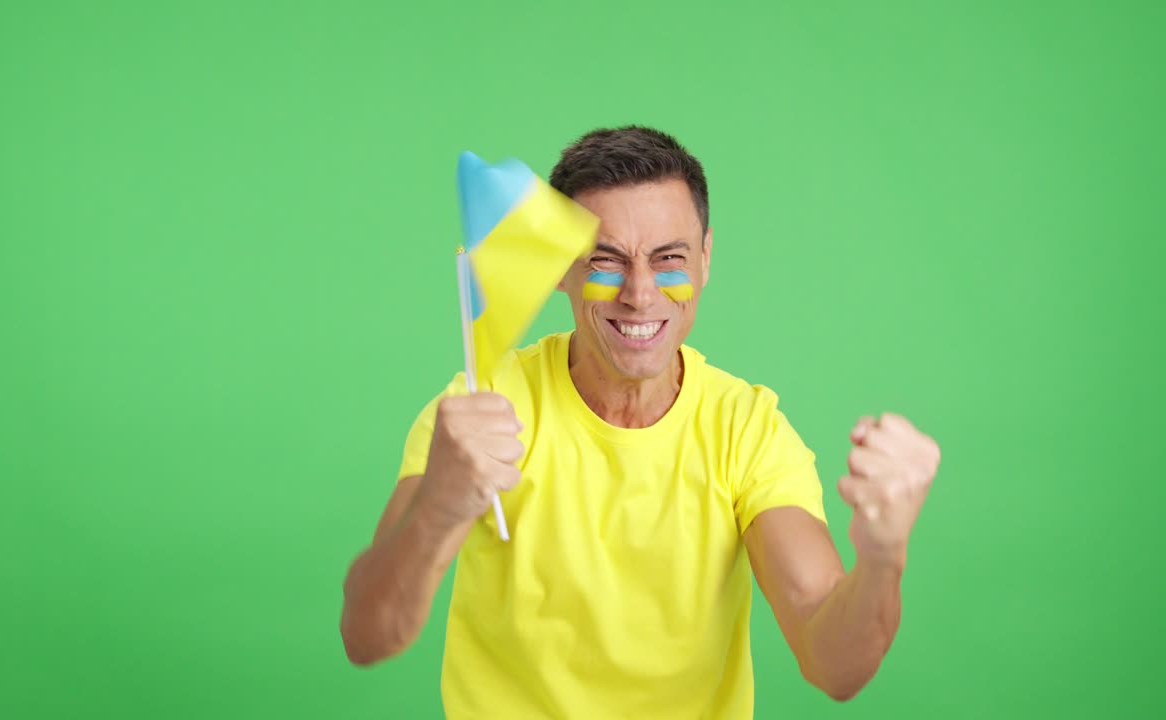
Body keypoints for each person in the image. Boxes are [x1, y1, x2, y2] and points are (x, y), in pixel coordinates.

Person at [340, 126, 941, 719]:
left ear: (705, 259)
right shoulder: (479, 411)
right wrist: (438, 508)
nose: (641, 294)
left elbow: (834, 664)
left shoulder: (746, 429)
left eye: (668, 259)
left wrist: (883, 559)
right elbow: (366, 634)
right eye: (606, 262)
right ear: (560, 269)